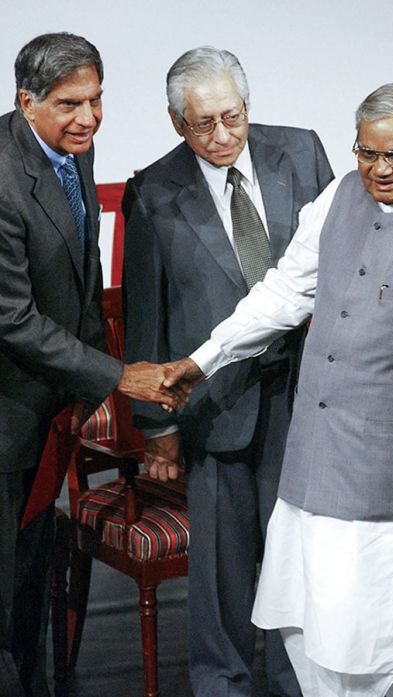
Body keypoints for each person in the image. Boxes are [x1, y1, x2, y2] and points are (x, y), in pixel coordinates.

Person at [163, 83, 393, 697]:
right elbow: (284, 293)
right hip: (316, 464)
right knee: (311, 628)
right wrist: (204, 360)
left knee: (391, 641)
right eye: (366, 153)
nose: (379, 170)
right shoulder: (338, 195)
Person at [121, 46, 333, 697]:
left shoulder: (301, 153)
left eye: (231, 117)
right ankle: (223, 684)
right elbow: (145, 313)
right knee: (223, 576)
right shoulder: (155, 189)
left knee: (306, 564)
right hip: (213, 406)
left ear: (247, 106)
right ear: (175, 121)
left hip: (304, 396)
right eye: (202, 123)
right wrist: (157, 425)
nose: (220, 135)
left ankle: (303, 683)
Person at [0, 33, 182, 697]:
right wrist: (115, 375)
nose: (89, 116)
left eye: (97, 99)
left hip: (49, 406)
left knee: (27, 575)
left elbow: (83, 273)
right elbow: (12, 317)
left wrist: (81, 387)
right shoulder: (0, 178)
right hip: (4, 409)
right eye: (71, 103)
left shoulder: (74, 147)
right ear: (27, 102)